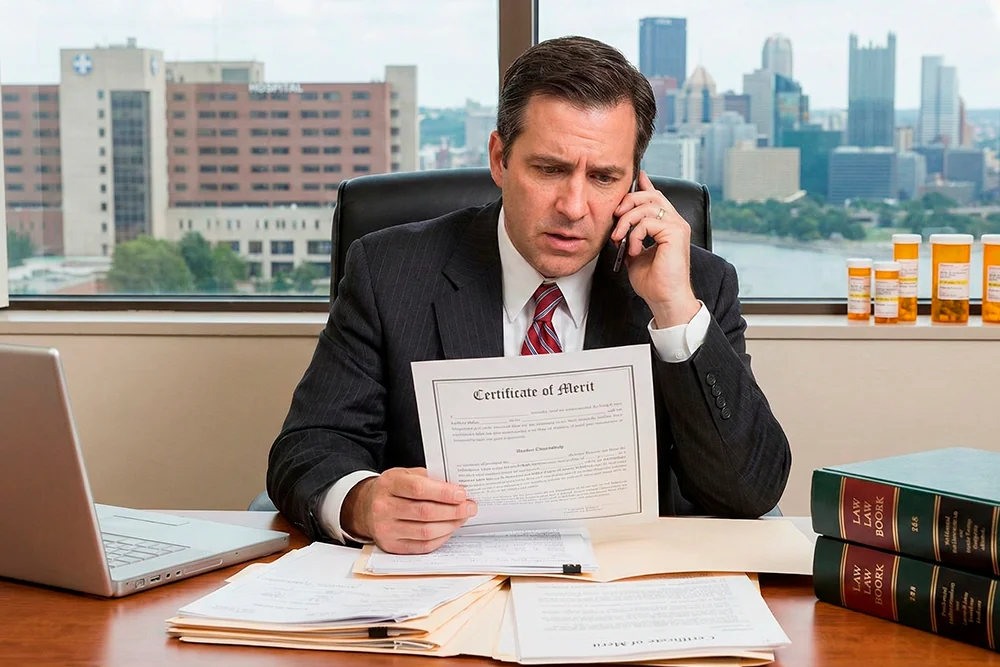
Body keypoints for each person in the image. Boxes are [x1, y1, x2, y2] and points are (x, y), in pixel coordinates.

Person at [267, 36, 791, 554]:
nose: (573, 205)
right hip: (445, 583)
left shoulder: (696, 284)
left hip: (621, 588)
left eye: (605, 177)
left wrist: (674, 311)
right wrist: (363, 503)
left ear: (635, 183)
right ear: (500, 159)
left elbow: (749, 491)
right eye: (550, 169)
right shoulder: (390, 272)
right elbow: (309, 447)